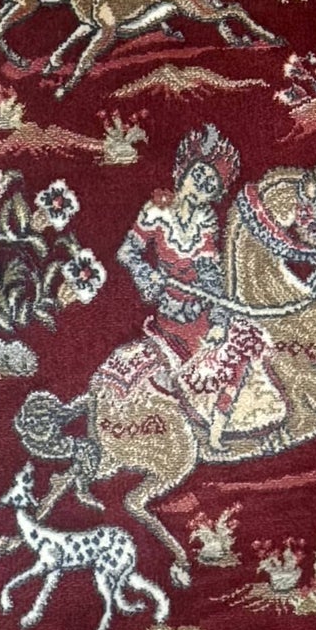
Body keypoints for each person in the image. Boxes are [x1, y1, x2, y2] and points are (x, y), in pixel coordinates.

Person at [118, 126, 279, 444]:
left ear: (213, 196)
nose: (199, 188)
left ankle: (218, 431)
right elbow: (127, 252)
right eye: (198, 176)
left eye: (209, 186)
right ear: (183, 172)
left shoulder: (206, 223)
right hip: (169, 316)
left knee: (240, 351)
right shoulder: (157, 210)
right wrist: (146, 274)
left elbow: (210, 279)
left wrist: (219, 323)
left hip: (201, 315)